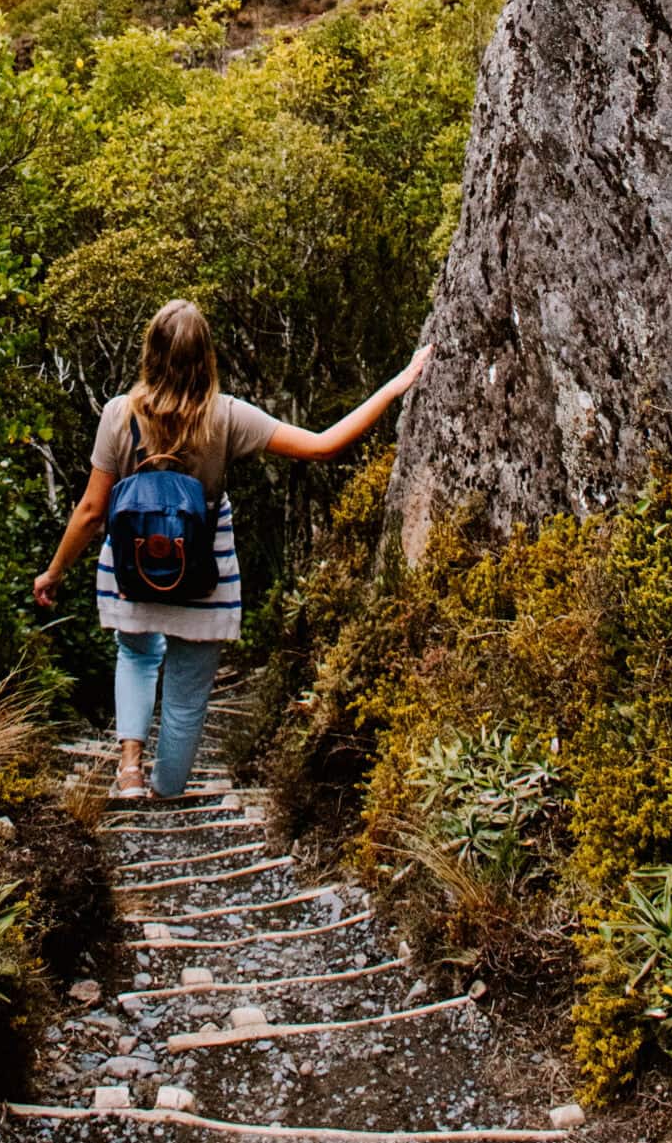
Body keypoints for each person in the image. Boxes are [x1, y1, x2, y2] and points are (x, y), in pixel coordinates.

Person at [33, 299, 434, 801]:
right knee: (186, 694)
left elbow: (92, 512)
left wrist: (54, 572)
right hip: (202, 574)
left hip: (133, 569)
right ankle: (166, 792)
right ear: (207, 357)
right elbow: (323, 445)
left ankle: (129, 773)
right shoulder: (225, 417)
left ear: (150, 354)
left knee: (135, 657)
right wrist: (398, 384)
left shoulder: (119, 415)